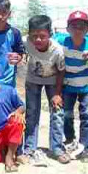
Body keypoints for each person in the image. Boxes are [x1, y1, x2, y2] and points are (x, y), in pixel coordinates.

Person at [22, 15, 70, 165]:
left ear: (50, 34)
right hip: (33, 80)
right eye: (34, 36)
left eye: (42, 36)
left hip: (53, 81)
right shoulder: (25, 42)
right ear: (29, 34)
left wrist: (57, 94)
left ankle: (56, 148)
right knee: (31, 113)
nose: (38, 40)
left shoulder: (57, 50)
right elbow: (17, 49)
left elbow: (62, 71)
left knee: (57, 112)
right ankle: (29, 148)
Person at [58, 11, 88, 161]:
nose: (78, 30)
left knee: (87, 116)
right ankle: (70, 140)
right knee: (66, 114)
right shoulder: (61, 43)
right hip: (68, 86)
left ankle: (84, 146)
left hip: (87, 86)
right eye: (74, 26)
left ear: (87, 29)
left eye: (82, 26)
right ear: (68, 28)